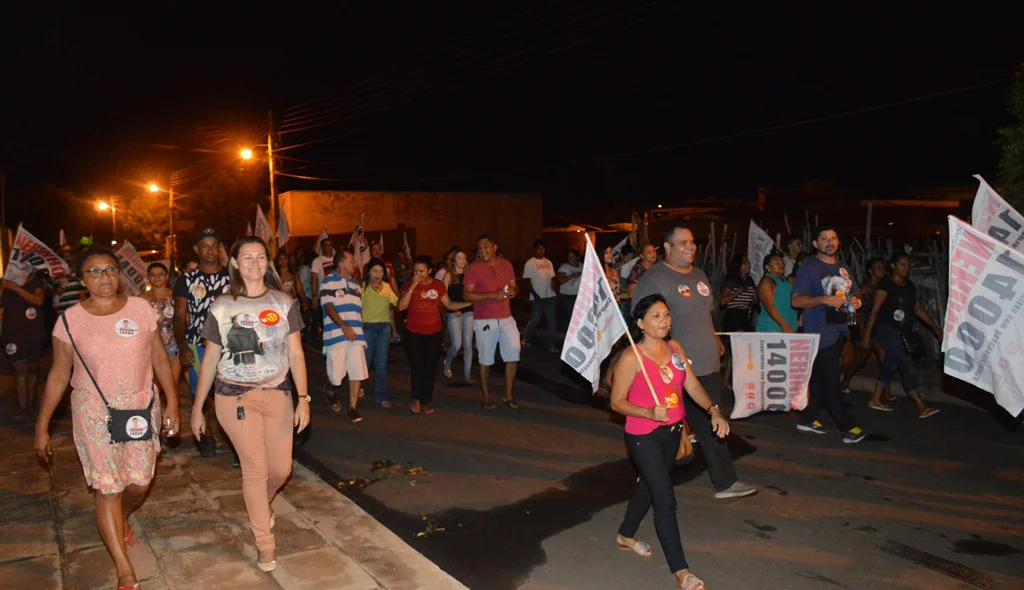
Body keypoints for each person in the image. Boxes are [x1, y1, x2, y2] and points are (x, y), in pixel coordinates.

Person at [35, 249, 180, 590]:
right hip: (94, 412)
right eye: (94, 272)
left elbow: (159, 356)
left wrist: (173, 403)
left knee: (140, 482)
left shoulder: (141, 309)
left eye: (110, 270)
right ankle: (124, 569)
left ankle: (121, 518)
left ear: (120, 274)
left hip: (141, 407)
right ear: (82, 280)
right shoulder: (69, 320)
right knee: (108, 488)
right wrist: (42, 426)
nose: (104, 277)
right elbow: (58, 375)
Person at [191, 236, 310, 573]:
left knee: (281, 470)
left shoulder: (284, 302)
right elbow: (211, 357)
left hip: (278, 394)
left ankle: (262, 506)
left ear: (268, 262)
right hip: (233, 395)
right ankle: (265, 544)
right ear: (235, 263)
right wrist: (199, 407)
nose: (254, 263)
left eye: (260, 257)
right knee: (255, 470)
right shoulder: (222, 306)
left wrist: (304, 399)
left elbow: (296, 353)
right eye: (247, 257)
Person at [632, 224, 757, 499]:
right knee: (663, 429)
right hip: (673, 370)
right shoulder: (655, 279)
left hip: (707, 364)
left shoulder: (699, 275)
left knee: (713, 424)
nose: (690, 247)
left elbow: (705, 314)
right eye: (683, 243)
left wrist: (715, 339)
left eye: (692, 242)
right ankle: (650, 480)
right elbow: (642, 323)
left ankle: (725, 482)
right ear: (667, 247)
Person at [610, 294, 726, 590]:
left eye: (666, 315)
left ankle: (625, 534)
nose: (664, 321)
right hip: (643, 435)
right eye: (656, 316)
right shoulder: (631, 357)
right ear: (640, 323)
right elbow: (617, 402)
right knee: (665, 498)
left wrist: (713, 411)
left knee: (650, 485)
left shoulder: (675, 348)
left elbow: (692, 384)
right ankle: (682, 572)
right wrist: (648, 411)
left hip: (673, 432)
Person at [791, 226, 866, 443]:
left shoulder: (843, 267)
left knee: (821, 380)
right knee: (832, 380)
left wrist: (856, 301)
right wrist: (824, 299)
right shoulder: (809, 267)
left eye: (833, 238)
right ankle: (847, 427)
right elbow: (796, 300)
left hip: (840, 330)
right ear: (816, 244)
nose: (829, 242)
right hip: (820, 333)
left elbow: (856, 292)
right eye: (824, 239)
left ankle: (807, 418)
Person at [173, 228, 231, 458]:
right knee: (203, 394)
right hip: (197, 345)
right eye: (204, 246)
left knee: (230, 392)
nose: (209, 250)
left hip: (229, 346)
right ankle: (206, 436)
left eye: (214, 245)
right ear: (197, 250)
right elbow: (179, 315)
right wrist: (182, 345)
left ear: (220, 248)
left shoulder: (232, 278)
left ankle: (234, 440)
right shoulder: (186, 280)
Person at [863, 252, 942, 417]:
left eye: (908, 265)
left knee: (891, 363)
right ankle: (920, 406)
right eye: (902, 265)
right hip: (886, 330)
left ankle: (875, 399)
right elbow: (874, 312)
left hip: (904, 331)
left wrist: (935, 328)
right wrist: (867, 336)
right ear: (893, 266)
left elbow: (918, 310)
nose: (907, 268)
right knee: (906, 363)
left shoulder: (909, 285)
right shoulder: (885, 285)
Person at [399, 255, 472, 414]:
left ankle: (425, 401)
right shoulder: (408, 285)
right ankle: (416, 400)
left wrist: (469, 303)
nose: (417, 274)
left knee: (430, 367)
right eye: (415, 271)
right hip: (413, 333)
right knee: (418, 366)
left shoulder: (438, 285)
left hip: (433, 333)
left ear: (430, 271)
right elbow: (401, 307)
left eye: (421, 271)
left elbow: (449, 304)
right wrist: (413, 286)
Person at [464, 234, 521, 411]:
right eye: (480, 247)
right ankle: (486, 395)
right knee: (486, 359)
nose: (482, 250)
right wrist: (491, 295)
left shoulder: (506, 264)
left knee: (513, 355)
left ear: (495, 247)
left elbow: (515, 287)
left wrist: (512, 292)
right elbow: (467, 295)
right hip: (484, 319)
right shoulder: (473, 268)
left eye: (486, 246)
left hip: (506, 317)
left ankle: (508, 395)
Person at [320, 248, 368, 422]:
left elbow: (359, 311)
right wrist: (343, 326)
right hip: (337, 334)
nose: (354, 263)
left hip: (356, 335)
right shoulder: (327, 282)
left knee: (357, 371)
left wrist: (358, 329)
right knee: (336, 374)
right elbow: (328, 306)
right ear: (341, 263)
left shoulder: (356, 285)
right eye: (351, 261)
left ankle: (353, 407)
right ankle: (331, 388)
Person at [2, 269, 48, 420]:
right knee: (20, 368)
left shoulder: (35, 284)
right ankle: (22, 410)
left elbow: (38, 300)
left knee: (32, 369)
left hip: (33, 332)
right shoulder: (5, 284)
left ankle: (31, 405)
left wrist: (15, 287)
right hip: (13, 333)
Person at [840, 257, 887, 393]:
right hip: (863, 327)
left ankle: (885, 394)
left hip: (876, 327)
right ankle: (845, 381)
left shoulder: (882, 286)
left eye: (882, 267)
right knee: (861, 359)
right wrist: (862, 331)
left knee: (884, 359)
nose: (881, 270)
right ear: (870, 271)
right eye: (878, 267)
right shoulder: (865, 289)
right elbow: (857, 312)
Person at [361, 258, 399, 408]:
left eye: (381, 271)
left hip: (383, 328)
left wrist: (394, 330)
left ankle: (381, 396)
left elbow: (394, 308)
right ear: (368, 272)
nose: (378, 274)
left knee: (381, 364)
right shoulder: (362, 288)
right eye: (374, 271)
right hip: (367, 328)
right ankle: (360, 385)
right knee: (367, 362)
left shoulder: (387, 288)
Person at [142, 262, 182, 399]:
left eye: (160, 274)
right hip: (151, 346)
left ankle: (170, 416)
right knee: (153, 388)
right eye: (153, 275)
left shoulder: (176, 297)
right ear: (148, 278)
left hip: (173, 344)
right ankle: (155, 417)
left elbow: (184, 321)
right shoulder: (141, 300)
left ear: (166, 276)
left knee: (172, 385)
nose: (157, 278)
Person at [441, 247, 475, 383]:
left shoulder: (470, 274)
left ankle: (467, 374)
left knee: (468, 344)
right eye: (460, 258)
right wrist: (451, 309)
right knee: (456, 344)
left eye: (465, 258)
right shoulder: (448, 275)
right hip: (454, 312)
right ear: (453, 260)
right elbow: (443, 296)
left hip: (469, 311)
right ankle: (447, 363)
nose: (463, 260)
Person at [522, 239, 559, 353]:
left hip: (549, 297)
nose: (541, 251)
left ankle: (551, 344)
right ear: (535, 249)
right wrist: (535, 295)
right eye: (539, 248)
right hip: (536, 298)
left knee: (552, 322)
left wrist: (555, 293)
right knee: (535, 319)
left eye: (543, 248)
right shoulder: (530, 263)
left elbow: (552, 278)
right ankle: (526, 338)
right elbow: (527, 281)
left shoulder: (548, 262)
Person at [755, 252, 797, 333]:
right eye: (776, 263)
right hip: (773, 326)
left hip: (789, 324)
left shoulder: (784, 280)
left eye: (782, 262)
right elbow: (769, 307)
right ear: (767, 267)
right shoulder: (766, 281)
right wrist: (783, 325)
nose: (781, 265)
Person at [719, 257, 758, 332]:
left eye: (748, 263)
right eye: (744, 263)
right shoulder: (731, 280)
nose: (747, 265)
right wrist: (737, 292)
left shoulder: (749, 280)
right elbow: (722, 301)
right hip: (733, 316)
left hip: (746, 315)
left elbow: (755, 300)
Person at [310, 238, 336, 336]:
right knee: (326, 319)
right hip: (324, 295)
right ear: (322, 247)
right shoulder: (317, 261)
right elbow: (314, 280)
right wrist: (314, 296)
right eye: (326, 245)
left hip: (338, 295)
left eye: (330, 245)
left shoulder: (337, 259)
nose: (329, 247)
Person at [556, 249, 582, 330]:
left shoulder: (582, 266)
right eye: (569, 257)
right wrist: (571, 276)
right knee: (569, 317)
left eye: (572, 257)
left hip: (579, 296)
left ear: (577, 257)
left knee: (579, 317)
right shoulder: (564, 267)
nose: (569, 259)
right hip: (567, 297)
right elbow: (559, 281)